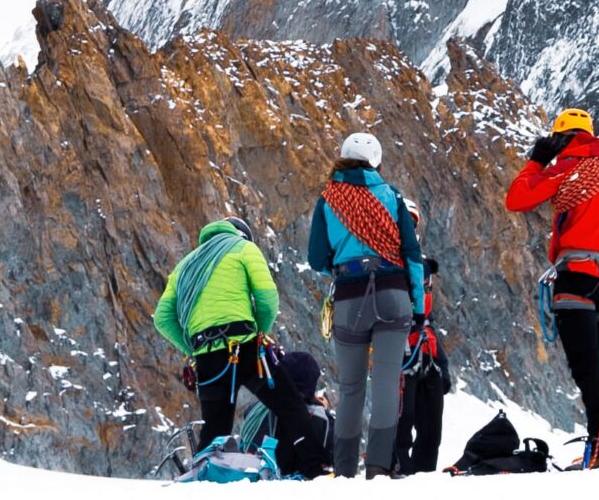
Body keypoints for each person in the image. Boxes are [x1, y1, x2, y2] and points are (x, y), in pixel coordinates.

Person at [504, 108, 599, 468]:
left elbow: (516, 199)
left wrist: (536, 161)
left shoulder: (565, 171)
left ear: (562, 139)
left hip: (574, 276)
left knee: (587, 369)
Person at [152, 216, 324, 474]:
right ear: (242, 234)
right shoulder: (243, 248)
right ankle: (315, 469)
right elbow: (267, 298)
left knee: (215, 426)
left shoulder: (184, 267)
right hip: (244, 346)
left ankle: (206, 477)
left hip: (207, 355)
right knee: (290, 405)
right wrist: (259, 335)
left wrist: (193, 350)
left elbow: (163, 318)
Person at [307, 132, 427, 479]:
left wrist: (341, 256)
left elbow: (316, 257)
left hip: (349, 296)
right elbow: (412, 255)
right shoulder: (392, 197)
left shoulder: (329, 199)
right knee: (387, 382)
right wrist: (417, 306)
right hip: (392, 295)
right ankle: (377, 467)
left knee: (351, 387)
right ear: (376, 161)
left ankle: (344, 470)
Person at [392, 198, 451, 476]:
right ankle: (399, 474)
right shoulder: (388, 264)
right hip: (402, 350)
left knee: (431, 430)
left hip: (426, 351)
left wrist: (443, 362)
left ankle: (423, 480)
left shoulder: (420, 267)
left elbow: (429, 319)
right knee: (402, 423)